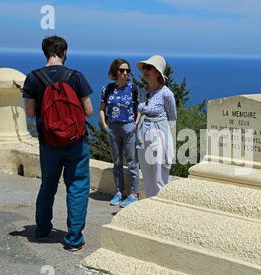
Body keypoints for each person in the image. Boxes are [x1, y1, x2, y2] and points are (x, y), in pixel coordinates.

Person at [23, 35, 93, 251]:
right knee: (78, 186)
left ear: (45, 52)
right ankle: (73, 239)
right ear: (64, 52)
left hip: (49, 141)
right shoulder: (75, 76)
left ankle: (43, 229)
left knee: (48, 185)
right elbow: (89, 111)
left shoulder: (33, 78)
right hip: (76, 142)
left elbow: (30, 113)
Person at [99, 59, 139, 207]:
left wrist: (135, 124)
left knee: (132, 162)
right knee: (117, 162)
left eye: (127, 71)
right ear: (115, 72)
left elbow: (139, 108)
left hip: (128, 126)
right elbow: (102, 108)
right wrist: (104, 125)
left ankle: (134, 193)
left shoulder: (133, 88)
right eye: (122, 70)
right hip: (113, 127)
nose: (125, 73)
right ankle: (119, 192)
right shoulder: (108, 89)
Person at [136, 55, 177, 198]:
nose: (145, 70)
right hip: (143, 136)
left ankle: (161, 209)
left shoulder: (166, 93)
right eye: (144, 68)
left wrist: (171, 146)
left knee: (159, 176)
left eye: (150, 68)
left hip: (159, 136)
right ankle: (149, 207)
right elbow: (140, 113)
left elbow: (172, 119)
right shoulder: (142, 91)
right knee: (147, 177)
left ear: (158, 72)